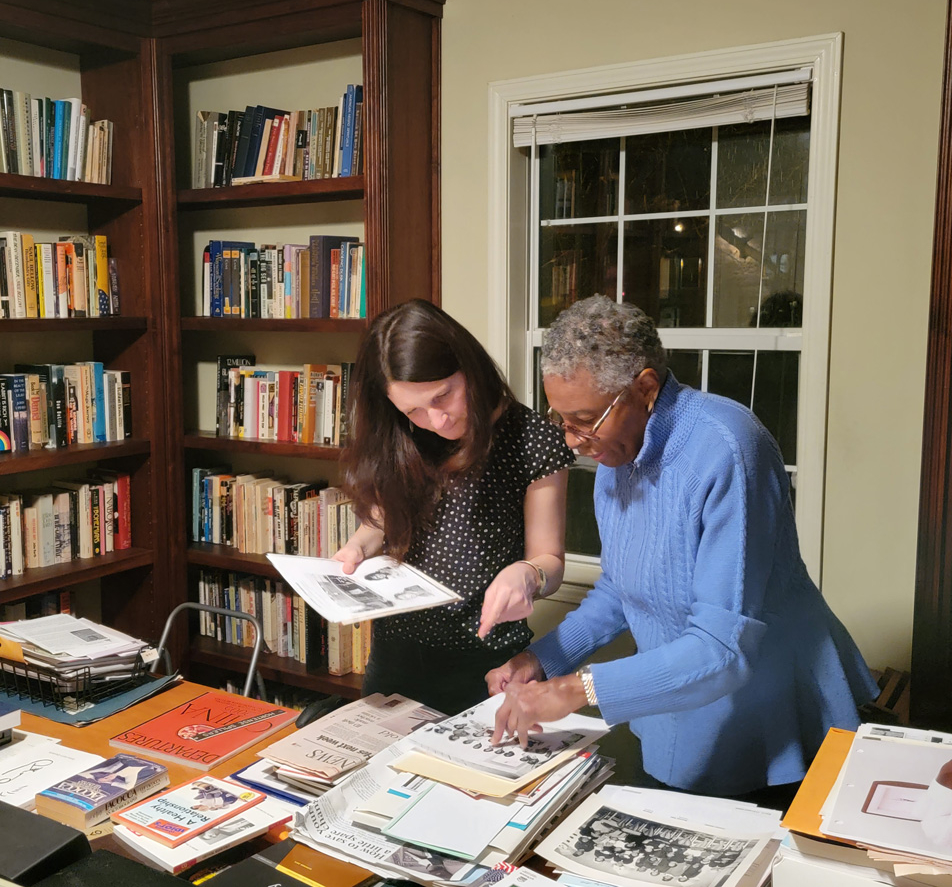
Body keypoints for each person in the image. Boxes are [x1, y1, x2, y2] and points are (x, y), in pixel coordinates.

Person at [488, 294, 877, 800]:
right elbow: (620, 587)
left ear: (645, 388)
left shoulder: (730, 448)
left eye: (584, 419)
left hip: (769, 706)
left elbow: (721, 647)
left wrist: (574, 690)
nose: (572, 440)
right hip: (677, 699)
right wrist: (542, 660)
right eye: (561, 419)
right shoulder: (615, 453)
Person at [334, 299, 574, 714]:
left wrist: (529, 573)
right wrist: (357, 547)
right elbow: (382, 520)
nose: (436, 420)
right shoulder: (404, 436)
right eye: (413, 410)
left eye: (443, 395)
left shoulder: (532, 438)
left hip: (491, 664)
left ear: (469, 366)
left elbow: (549, 561)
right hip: (397, 656)